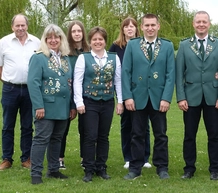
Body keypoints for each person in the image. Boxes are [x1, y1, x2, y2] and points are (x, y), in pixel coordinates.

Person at [176, 11, 218, 181]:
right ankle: (189, 168)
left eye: (204, 22)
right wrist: (181, 97)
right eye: (198, 22)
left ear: (209, 23)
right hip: (190, 97)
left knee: (214, 135)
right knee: (189, 135)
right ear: (193, 24)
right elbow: (179, 74)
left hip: (213, 97)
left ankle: (214, 169)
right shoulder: (184, 45)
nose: (201, 24)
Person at [122, 14, 175, 180]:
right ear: (142, 27)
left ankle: (162, 167)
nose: (150, 28)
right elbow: (126, 72)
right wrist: (128, 97)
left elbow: (170, 74)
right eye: (147, 25)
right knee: (137, 134)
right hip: (138, 97)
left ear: (158, 26)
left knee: (161, 134)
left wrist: (166, 98)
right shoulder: (132, 45)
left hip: (159, 98)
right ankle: (135, 168)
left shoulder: (167, 46)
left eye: (153, 25)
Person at [74, 26, 124, 182]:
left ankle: (101, 167)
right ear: (90, 41)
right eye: (94, 39)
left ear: (105, 41)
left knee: (103, 136)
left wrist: (120, 101)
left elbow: (118, 80)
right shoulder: (84, 58)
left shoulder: (114, 57)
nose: (97, 42)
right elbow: (77, 81)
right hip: (89, 102)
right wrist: (79, 102)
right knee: (90, 136)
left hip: (107, 101)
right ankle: (88, 169)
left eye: (100, 39)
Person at [27, 24, 75, 184]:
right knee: (41, 139)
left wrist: (72, 106)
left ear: (61, 39)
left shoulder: (65, 58)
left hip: (63, 107)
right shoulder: (38, 58)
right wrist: (38, 106)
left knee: (57, 139)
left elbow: (70, 83)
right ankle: (36, 174)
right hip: (45, 107)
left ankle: (53, 170)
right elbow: (33, 84)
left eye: (57, 37)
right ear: (45, 40)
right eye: (50, 38)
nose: (53, 40)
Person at [0, 14, 40, 171]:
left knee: (27, 126)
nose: (20, 28)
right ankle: (7, 159)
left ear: (27, 26)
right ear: (12, 27)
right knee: (8, 125)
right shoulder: (4, 42)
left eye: (23, 25)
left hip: (29, 90)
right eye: (17, 25)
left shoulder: (37, 42)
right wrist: (8, 82)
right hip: (10, 89)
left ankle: (26, 158)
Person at [109, 17, 152, 169]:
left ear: (136, 29)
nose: (129, 29)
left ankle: (145, 157)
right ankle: (128, 157)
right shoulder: (115, 47)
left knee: (143, 125)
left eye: (132, 26)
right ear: (123, 29)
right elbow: (112, 68)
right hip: (124, 90)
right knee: (127, 124)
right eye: (126, 26)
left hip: (141, 91)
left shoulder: (143, 45)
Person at [59, 20, 90, 169]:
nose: (77, 34)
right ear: (69, 34)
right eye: (73, 31)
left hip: (86, 96)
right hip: (67, 96)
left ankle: (86, 157)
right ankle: (59, 158)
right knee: (62, 128)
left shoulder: (89, 52)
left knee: (85, 128)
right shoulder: (64, 53)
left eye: (79, 31)